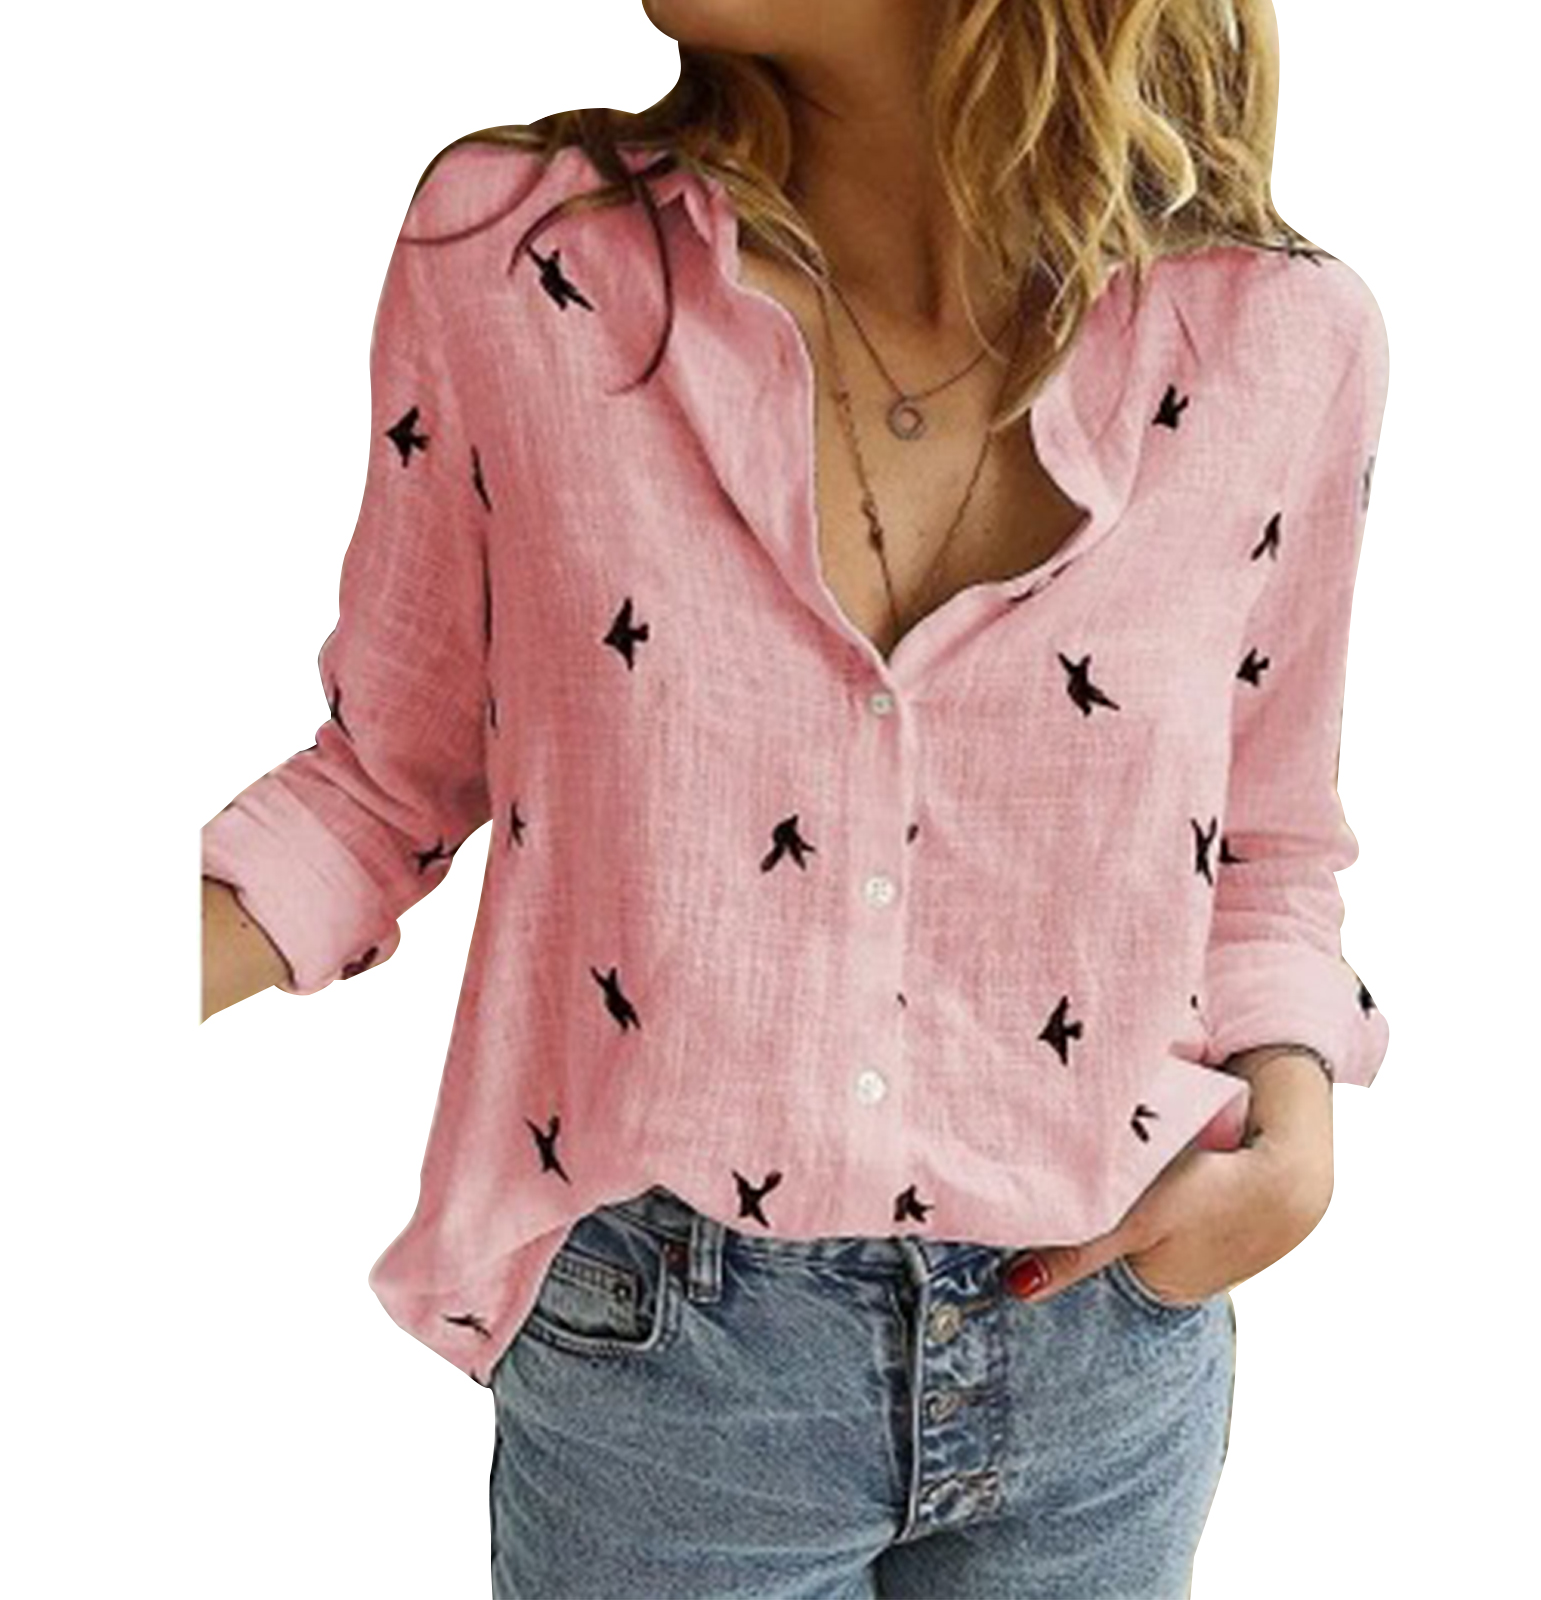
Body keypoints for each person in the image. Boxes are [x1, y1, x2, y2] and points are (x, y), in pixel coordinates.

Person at [201, 0, 1391, 1593]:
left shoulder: (1283, 341)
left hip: (1110, 1346)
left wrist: (1293, 1133)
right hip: (673, 1371)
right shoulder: (524, 264)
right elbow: (378, 781)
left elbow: (1266, 841)